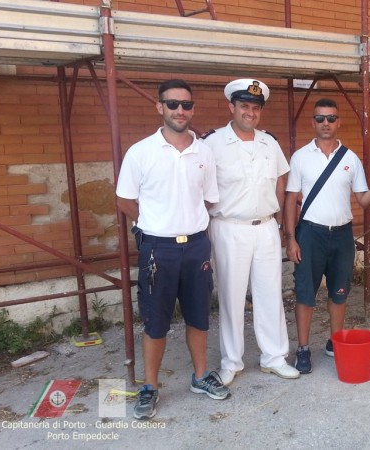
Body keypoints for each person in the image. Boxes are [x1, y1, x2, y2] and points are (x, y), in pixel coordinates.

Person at [116, 79, 229, 420]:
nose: (180, 110)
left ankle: (199, 377)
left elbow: (210, 198)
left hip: (195, 246)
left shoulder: (204, 152)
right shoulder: (141, 152)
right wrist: (153, 222)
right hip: (157, 249)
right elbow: (124, 199)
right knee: (156, 321)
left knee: (198, 316)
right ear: (159, 107)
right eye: (173, 104)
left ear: (193, 109)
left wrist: (186, 223)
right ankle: (149, 387)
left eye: (186, 105)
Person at [203, 78, 299, 385]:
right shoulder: (212, 143)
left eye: (256, 108)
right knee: (231, 297)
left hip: (266, 227)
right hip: (229, 228)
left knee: (271, 294)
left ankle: (274, 357)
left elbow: (281, 182)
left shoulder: (269, 142)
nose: (250, 113)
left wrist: (282, 225)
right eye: (244, 106)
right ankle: (232, 361)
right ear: (231, 107)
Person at [283, 98, 370, 374]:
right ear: (313, 122)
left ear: (338, 122)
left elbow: (362, 200)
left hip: (342, 236)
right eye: (320, 118)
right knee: (305, 294)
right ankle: (303, 349)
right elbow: (291, 200)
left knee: (339, 292)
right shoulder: (301, 156)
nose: (325, 123)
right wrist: (291, 238)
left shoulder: (350, 159)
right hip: (310, 235)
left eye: (330, 118)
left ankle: (335, 341)